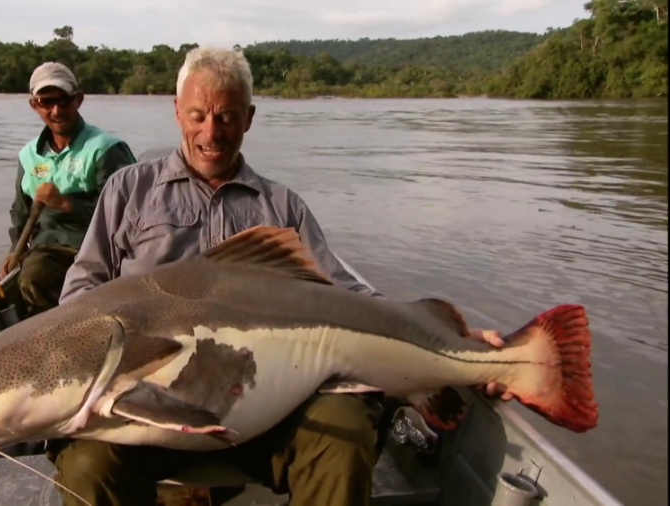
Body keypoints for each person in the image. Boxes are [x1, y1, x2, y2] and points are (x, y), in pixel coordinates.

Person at [53, 47, 510, 506]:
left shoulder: (282, 207)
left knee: (346, 433)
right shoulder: (128, 190)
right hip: (146, 412)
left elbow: (346, 295)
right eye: (197, 116)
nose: (211, 133)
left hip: (274, 411)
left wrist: (454, 340)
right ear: (176, 111)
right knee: (86, 468)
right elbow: (82, 287)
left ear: (249, 118)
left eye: (227, 118)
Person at [0, 61, 137, 315]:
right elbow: (21, 210)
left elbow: (128, 214)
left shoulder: (105, 148)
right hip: (48, 248)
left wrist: (66, 204)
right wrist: (13, 250)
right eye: (46, 102)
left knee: (34, 278)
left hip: (99, 247)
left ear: (78, 100)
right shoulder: (28, 156)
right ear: (34, 105)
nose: (56, 110)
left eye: (64, 101)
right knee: (22, 284)